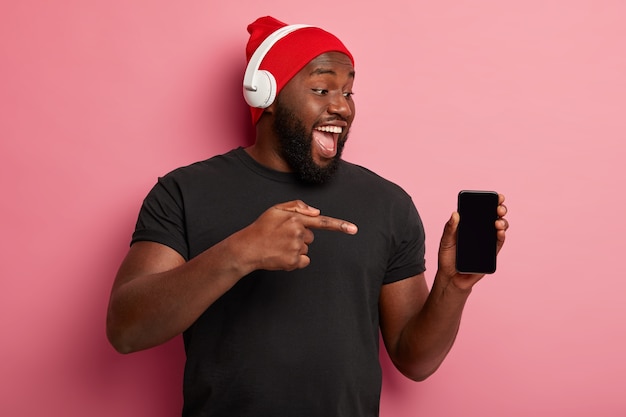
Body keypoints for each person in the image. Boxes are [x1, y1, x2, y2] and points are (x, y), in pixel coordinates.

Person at [106, 15, 509, 417]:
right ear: (266, 95)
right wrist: (240, 253)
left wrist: (453, 287)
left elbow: (415, 360)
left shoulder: (388, 203)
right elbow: (126, 330)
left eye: (349, 92)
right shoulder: (183, 192)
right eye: (322, 88)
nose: (341, 107)